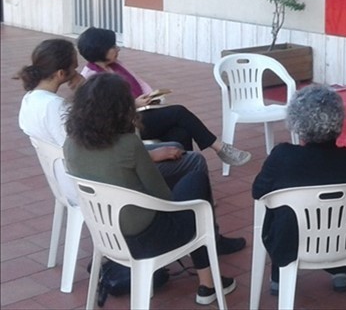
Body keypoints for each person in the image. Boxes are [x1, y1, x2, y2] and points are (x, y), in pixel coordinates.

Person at [16, 39, 245, 255]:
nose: (78, 71)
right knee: (193, 162)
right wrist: (152, 155)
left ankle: (196, 229)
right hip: (100, 184)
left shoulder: (30, 101)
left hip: (73, 179)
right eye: (74, 68)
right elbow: (97, 152)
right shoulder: (56, 109)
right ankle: (205, 239)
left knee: (177, 138)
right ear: (60, 74)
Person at [63, 73, 237, 305]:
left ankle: (208, 281)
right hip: (148, 238)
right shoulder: (128, 145)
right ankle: (207, 283)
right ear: (121, 109)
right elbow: (163, 196)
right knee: (195, 180)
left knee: (182, 161)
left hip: (105, 234)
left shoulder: (70, 144)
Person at [252, 84, 346, 295]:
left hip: (291, 241)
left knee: (278, 211)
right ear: (339, 120)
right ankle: (339, 269)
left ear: (296, 123)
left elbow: (258, 192)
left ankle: (279, 275)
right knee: (340, 211)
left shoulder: (282, 157)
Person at [76, 27, 251, 168]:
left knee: (180, 133)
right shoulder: (91, 77)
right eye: (113, 47)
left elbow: (141, 84)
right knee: (179, 113)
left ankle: (188, 177)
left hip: (141, 114)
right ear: (99, 49)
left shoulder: (116, 66)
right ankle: (219, 148)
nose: (117, 49)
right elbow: (104, 113)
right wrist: (134, 104)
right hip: (126, 125)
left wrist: (151, 97)